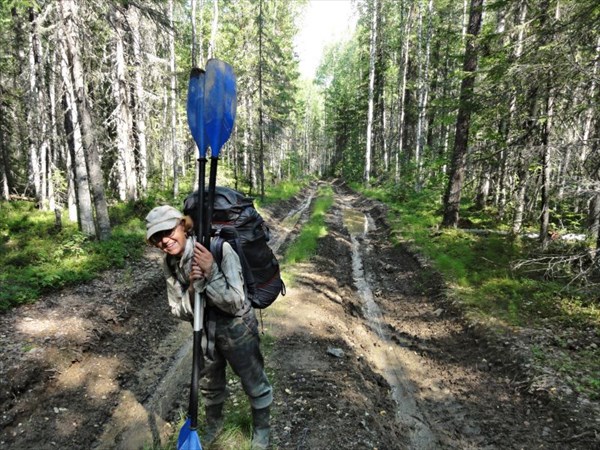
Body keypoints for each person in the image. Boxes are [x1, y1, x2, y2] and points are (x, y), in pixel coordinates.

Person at [145, 205, 272, 449]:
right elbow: (176, 309)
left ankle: (261, 431)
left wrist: (211, 271)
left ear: (183, 226)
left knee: (253, 380)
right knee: (209, 383)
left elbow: (236, 302)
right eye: (157, 237)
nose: (165, 240)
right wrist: (193, 291)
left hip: (237, 327)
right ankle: (215, 425)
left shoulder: (218, 248)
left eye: (168, 231)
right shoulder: (170, 264)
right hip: (202, 328)